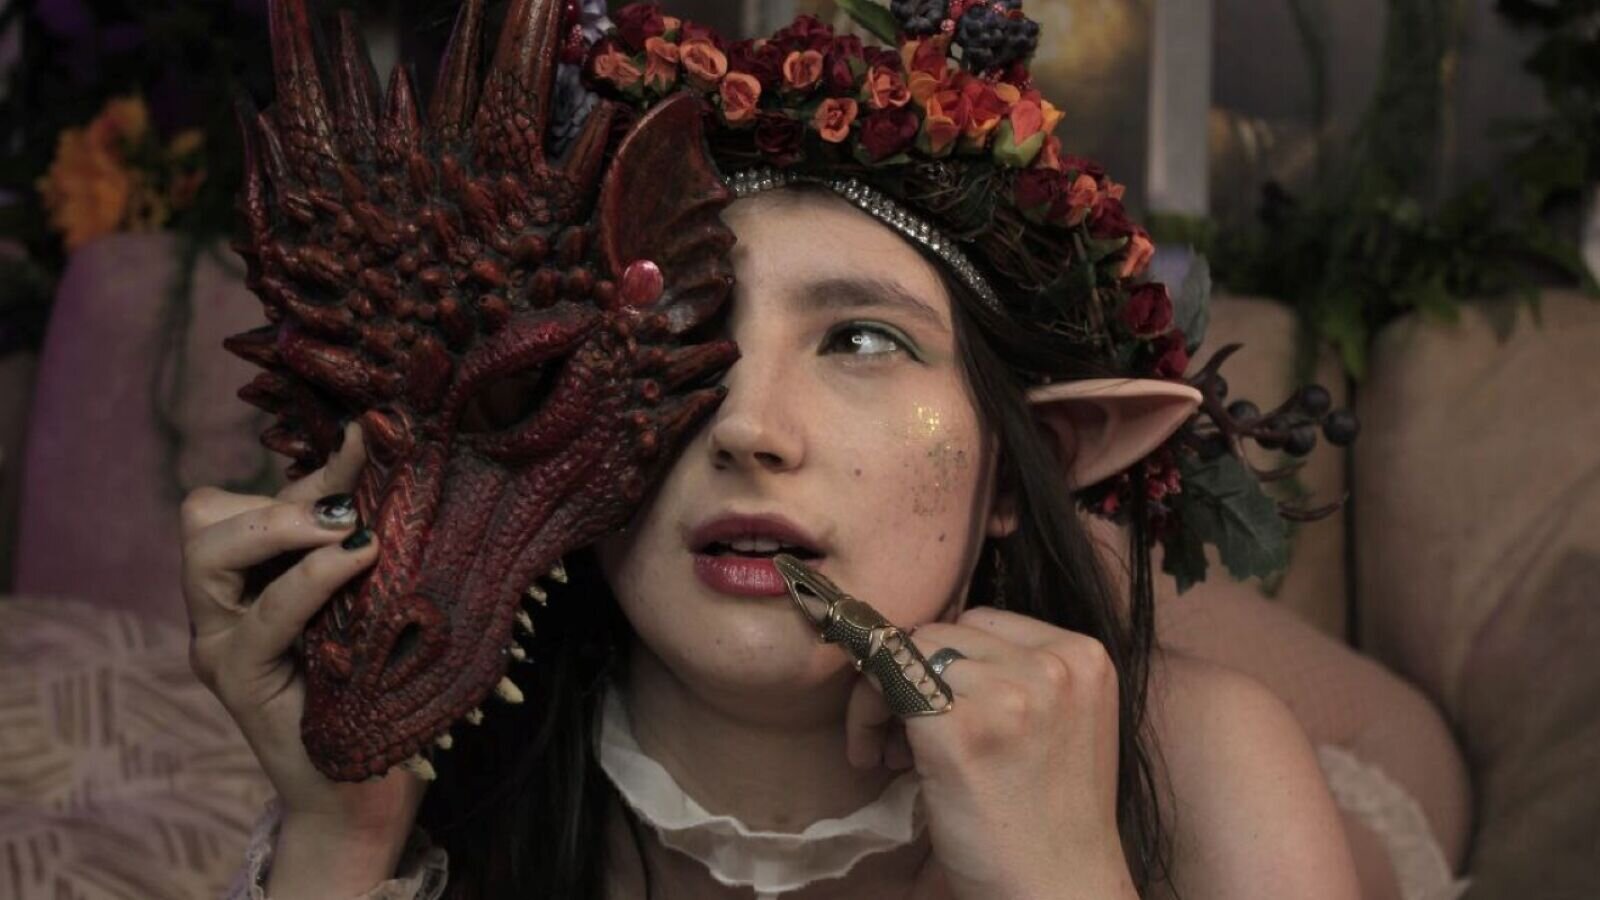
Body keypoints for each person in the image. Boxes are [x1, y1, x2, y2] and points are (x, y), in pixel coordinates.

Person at [181, 1, 1376, 897]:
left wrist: (1062, 879)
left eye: (859, 339)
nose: (749, 430)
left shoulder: (1212, 763)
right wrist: (340, 836)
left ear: (1022, 463)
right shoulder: (460, 791)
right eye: (686, 332)